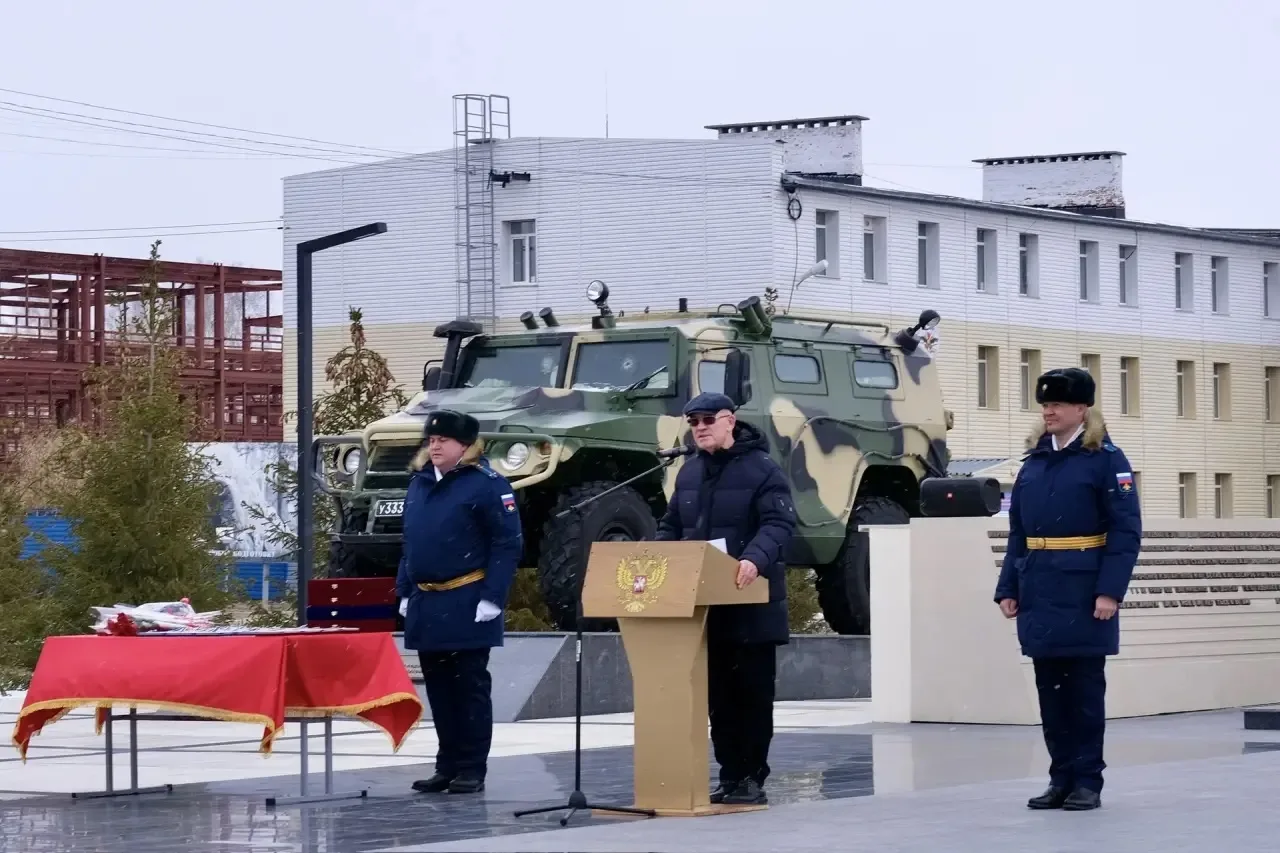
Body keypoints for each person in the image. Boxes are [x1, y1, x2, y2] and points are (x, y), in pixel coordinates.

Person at [994, 367, 1141, 812]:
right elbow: (1019, 530)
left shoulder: (1106, 459)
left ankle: (1087, 781)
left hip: (1083, 589)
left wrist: (1109, 592)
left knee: (1083, 691)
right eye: (1045, 404)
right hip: (1040, 586)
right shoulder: (1035, 461)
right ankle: (1060, 778)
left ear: (1082, 408)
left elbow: (1125, 531)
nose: (1049, 411)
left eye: (1057, 404)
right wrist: (1008, 586)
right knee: (1050, 692)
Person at [654, 391, 797, 806]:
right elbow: (672, 524)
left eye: (707, 420)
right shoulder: (689, 472)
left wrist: (753, 559)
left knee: (750, 697)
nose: (699, 428)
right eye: (693, 421)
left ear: (730, 421)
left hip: (751, 602)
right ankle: (730, 775)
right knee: (719, 700)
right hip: (704, 606)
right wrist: (660, 557)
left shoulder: (763, 469)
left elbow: (779, 522)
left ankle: (752, 776)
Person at [395, 408, 522, 795]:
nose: (434, 445)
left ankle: (471, 768)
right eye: (431, 440)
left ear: (465, 446)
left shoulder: (486, 484)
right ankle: (446, 765)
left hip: (467, 599)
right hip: (428, 602)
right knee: (439, 690)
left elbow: (507, 543)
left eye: (443, 440)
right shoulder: (419, 484)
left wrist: (493, 597)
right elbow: (411, 542)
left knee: (468, 689)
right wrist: (404, 590)